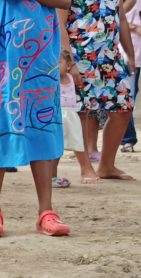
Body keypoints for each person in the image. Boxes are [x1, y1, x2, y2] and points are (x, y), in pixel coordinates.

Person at [0, 0, 72, 238]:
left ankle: (46, 211)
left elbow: (65, 2)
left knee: (41, 125)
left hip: (42, 58)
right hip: (0, 56)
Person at [59, 0, 137, 181]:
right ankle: (85, 167)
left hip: (111, 58)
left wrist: (130, 55)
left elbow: (122, 20)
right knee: (81, 112)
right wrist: (69, 61)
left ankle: (107, 166)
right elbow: (60, 24)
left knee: (123, 109)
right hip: (80, 56)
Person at [58, 51, 83, 188]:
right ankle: (51, 176)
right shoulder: (52, 81)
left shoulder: (71, 78)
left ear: (68, 65)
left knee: (76, 144)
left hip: (71, 116)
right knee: (54, 151)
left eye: (58, 63)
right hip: (57, 116)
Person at [121, 0, 141, 152]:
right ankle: (128, 139)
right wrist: (134, 27)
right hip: (130, 54)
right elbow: (120, 15)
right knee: (128, 98)